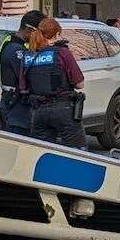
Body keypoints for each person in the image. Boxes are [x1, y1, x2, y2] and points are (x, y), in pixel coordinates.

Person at [21, 18, 86, 149]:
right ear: (56, 35)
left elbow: (23, 87)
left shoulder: (28, 56)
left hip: (39, 112)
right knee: (78, 153)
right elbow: (79, 84)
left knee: (43, 153)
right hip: (63, 110)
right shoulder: (62, 52)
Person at [0, 10, 45, 135]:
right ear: (30, 30)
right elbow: (28, 76)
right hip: (17, 109)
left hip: (17, 106)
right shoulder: (16, 49)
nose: (42, 38)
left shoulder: (12, 42)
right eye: (41, 33)